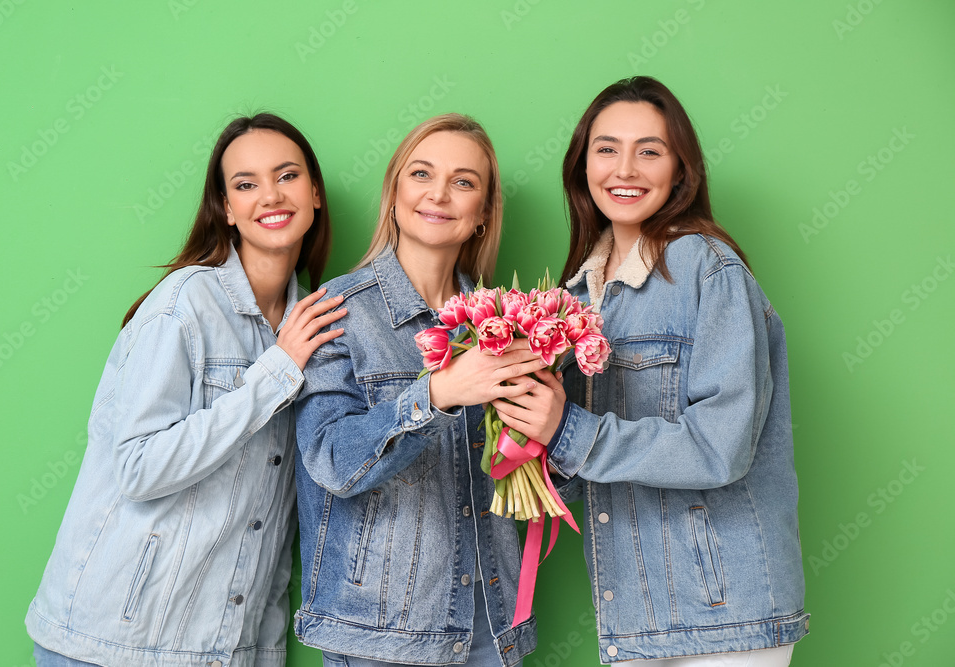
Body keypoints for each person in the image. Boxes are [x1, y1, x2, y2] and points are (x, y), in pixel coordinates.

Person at [492, 77, 808, 665]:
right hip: (634, 615)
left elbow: (722, 446)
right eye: (607, 148)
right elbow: (582, 463)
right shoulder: (572, 297)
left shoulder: (707, 268)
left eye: (650, 150)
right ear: (582, 165)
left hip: (727, 613)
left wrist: (566, 432)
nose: (625, 169)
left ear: (680, 169)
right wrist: (525, 435)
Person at [25, 113, 346, 667]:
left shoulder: (311, 326)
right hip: (111, 645)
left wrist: (264, 653)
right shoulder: (185, 305)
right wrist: (275, 372)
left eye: (287, 175)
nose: (270, 195)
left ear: (314, 193)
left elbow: (272, 518)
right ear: (226, 208)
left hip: (219, 651)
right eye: (245, 184)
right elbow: (139, 467)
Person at [293, 113, 550, 667]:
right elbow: (330, 462)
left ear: (482, 214)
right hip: (380, 635)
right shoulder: (335, 313)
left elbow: (553, 489)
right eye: (421, 174)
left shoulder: (510, 322)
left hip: (494, 625)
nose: (439, 194)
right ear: (393, 195)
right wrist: (436, 393)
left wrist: (551, 423)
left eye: (464, 182)